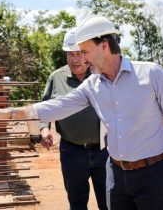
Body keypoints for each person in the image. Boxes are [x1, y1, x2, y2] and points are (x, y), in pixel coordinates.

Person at [0, 16, 163, 210]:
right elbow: (55, 106)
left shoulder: (151, 74)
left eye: (85, 51)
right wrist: (6, 113)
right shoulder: (93, 85)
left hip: (153, 175)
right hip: (116, 176)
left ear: (104, 46)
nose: (82, 60)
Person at [39, 29, 108, 210]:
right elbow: (45, 107)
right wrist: (44, 129)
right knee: (77, 203)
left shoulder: (101, 76)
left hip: (104, 151)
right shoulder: (56, 78)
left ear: (87, 54)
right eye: (71, 54)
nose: (75, 59)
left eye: (79, 54)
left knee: (109, 202)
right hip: (72, 153)